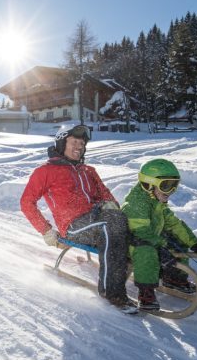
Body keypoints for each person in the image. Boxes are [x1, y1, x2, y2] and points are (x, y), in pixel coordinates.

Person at [20, 124, 136, 311]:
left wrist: (110, 205)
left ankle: (133, 268)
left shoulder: (88, 170)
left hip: (97, 218)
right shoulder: (46, 171)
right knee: (110, 225)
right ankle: (112, 292)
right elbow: (27, 202)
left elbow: (107, 195)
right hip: (74, 225)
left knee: (125, 221)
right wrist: (46, 230)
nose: (79, 147)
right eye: (74, 142)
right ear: (60, 143)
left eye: (82, 144)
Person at [120, 158, 197, 311]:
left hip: (151, 240)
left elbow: (174, 224)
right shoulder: (135, 205)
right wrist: (161, 248)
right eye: (166, 186)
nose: (171, 191)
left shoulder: (157, 202)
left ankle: (174, 278)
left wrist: (194, 243)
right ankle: (145, 292)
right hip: (132, 245)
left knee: (176, 241)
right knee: (147, 251)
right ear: (148, 184)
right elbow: (142, 233)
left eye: (174, 186)